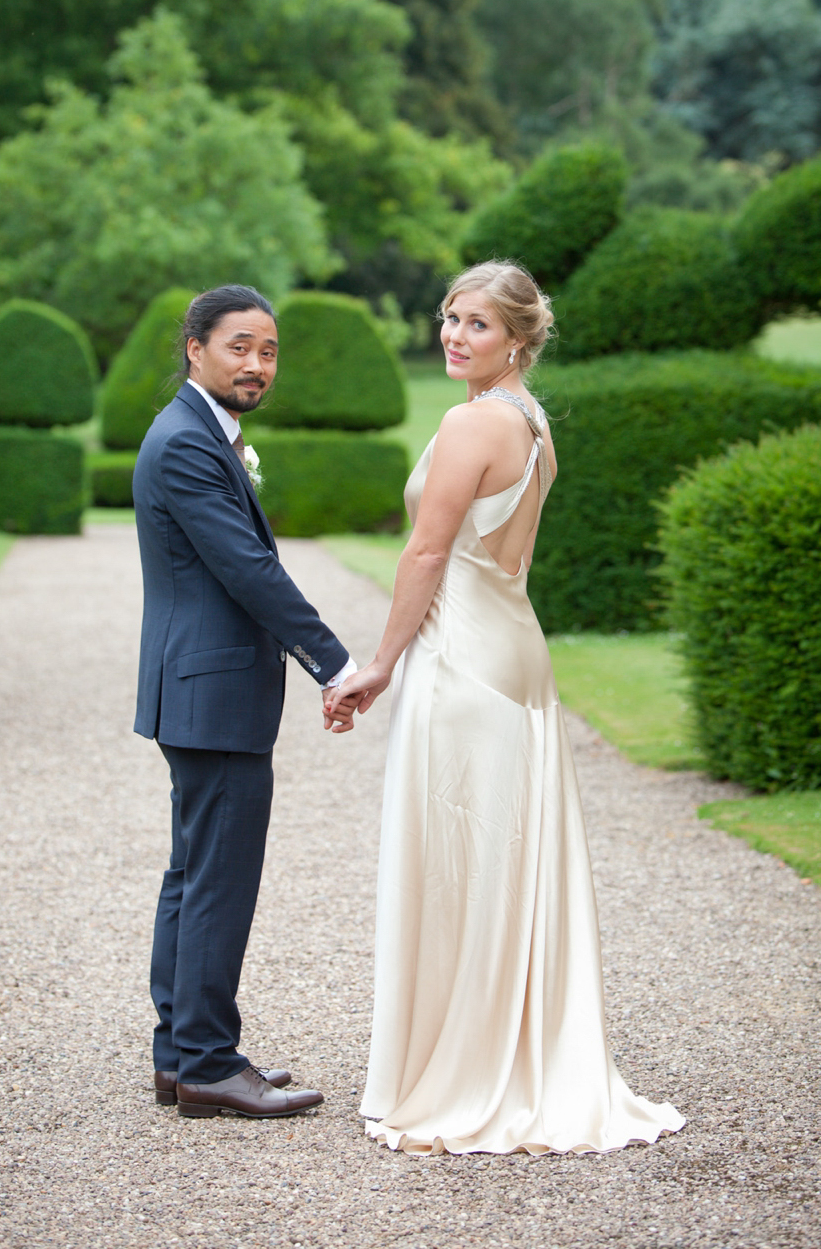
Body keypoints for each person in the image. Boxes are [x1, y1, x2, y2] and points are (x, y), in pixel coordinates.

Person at [327, 261, 685, 1156]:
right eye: (450, 318)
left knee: (460, 859)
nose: (454, 335)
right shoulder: (534, 425)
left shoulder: (473, 421)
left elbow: (423, 556)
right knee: (502, 856)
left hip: (463, 661)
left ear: (518, 339)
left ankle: (466, 1070)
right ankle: (504, 1051)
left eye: (477, 324)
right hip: (516, 652)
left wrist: (379, 664)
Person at [133, 284, 358, 1120]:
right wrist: (333, 663)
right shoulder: (188, 443)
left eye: (268, 350)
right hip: (213, 692)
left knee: (193, 878)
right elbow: (248, 571)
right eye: (239, 346)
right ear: (194, 347)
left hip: (199, 691)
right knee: (217, 881)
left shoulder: (197, 433)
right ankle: (208, 1063)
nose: (257, 364)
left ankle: (179, 1055)